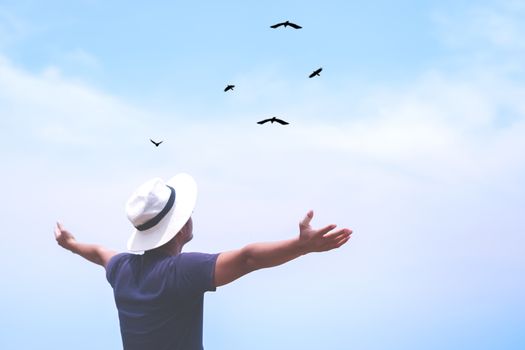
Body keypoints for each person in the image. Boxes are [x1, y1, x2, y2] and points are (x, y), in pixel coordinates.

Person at [54, 173, 352, 350]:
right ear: (181, 226)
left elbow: (97, 252)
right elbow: (247, 258)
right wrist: (302, 246)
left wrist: (71, 245)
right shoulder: (181, 272)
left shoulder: (121, 269)